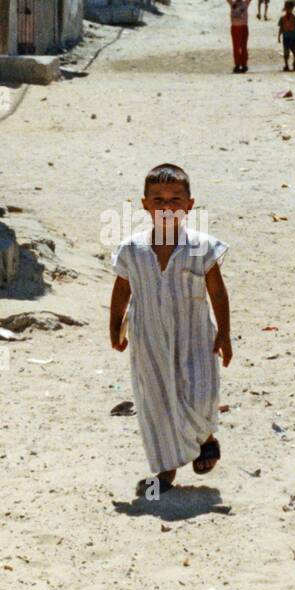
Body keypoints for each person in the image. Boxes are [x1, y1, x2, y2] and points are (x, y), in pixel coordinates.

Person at [110, 164, 232, 498]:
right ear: (145, 205)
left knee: (201, 394)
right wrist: (114, 326)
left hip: (195, 338)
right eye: (158, 199)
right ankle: (165, 470)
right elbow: (122, 289)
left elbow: (218, 292)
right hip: (148, 338)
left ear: (189, 205)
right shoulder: (131, 250)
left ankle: (205, 437)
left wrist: (224, 332)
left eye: (175, 199)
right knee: (157, 401)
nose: (167, 206)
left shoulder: (202, 247)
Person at [222, 0, 254, 73]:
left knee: (243, 47)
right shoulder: (232, 3)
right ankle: (237, 64)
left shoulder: (245, 3)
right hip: (234, 27)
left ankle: (244, 64)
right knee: (236, 47)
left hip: (243, 27)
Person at [277, 0, 295, 72]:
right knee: (286, 52)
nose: (288, 10)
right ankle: (286, 65)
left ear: (292, 9)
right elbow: (281, 28)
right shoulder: (282, 18)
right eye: (287, 8)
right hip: (286, 37)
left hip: (293, 37)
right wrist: (279, 36)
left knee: (294, 51)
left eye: (289, 8)